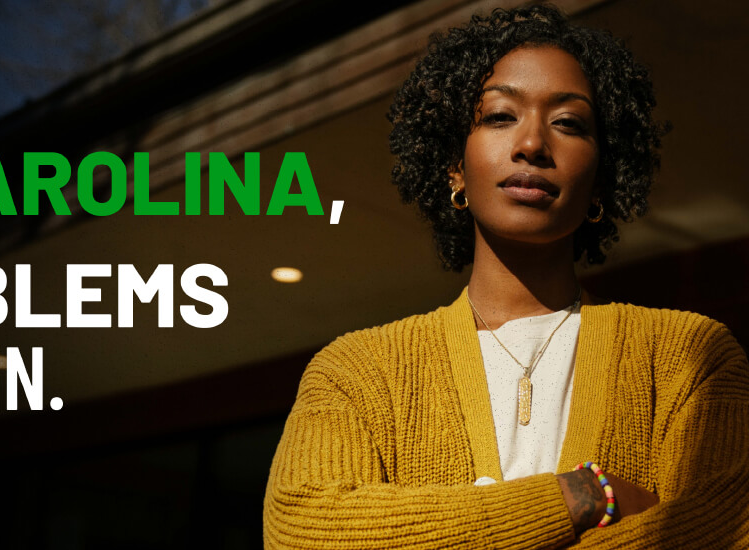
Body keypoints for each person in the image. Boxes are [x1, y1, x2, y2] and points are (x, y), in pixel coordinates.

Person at [262, 5, 748, 549]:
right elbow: (302, 530)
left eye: (568, 122)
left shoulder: (689, 358)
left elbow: (726, 529)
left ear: (602, 178)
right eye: (499, 117)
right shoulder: (357, 372)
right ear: (454, 166)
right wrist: (583, 496)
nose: (532, 144)